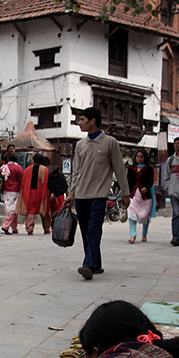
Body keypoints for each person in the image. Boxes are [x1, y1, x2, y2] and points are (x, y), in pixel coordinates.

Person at [64, 107, 129, 280]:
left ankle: (88, 264)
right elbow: (75, 171)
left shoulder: (110, 142)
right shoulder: (80, 145)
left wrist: (125, 193)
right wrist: (71, 193)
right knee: (85, 231)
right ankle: (96, 264)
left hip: (99, 195)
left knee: (94, 230)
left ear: (93, 121)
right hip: (81, 196)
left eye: (82, 119)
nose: (79, 123)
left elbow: (119, 169)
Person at [16, 153, 51, 235]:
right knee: (44, 210)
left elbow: (23, 183)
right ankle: (46, 229)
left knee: (30, 211)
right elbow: (48, 183)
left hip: (30, 192)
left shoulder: (27, 169)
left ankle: (29, 229)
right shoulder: (45, 170)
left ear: (33, 160)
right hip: (42, 192)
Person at [125, 149, 154, 243]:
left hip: (145, 196)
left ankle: (144, 234)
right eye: (138, 157)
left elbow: (151, 180)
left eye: (141, 157)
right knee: (131, 214)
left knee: (145, 216)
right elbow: (128, 181)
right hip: (133, 195)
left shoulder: (149, 169)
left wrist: (146, 187)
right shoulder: (131, 169)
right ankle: (132, 235)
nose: (139, 159)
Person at [0, 153, 23, 235]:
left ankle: (14, 228)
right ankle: (5, 226)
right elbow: (22, 180)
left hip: (5, 191)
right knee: (13, 210)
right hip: (15, 191)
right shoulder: (18, 168)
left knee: (11, 210)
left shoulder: (4, 167)